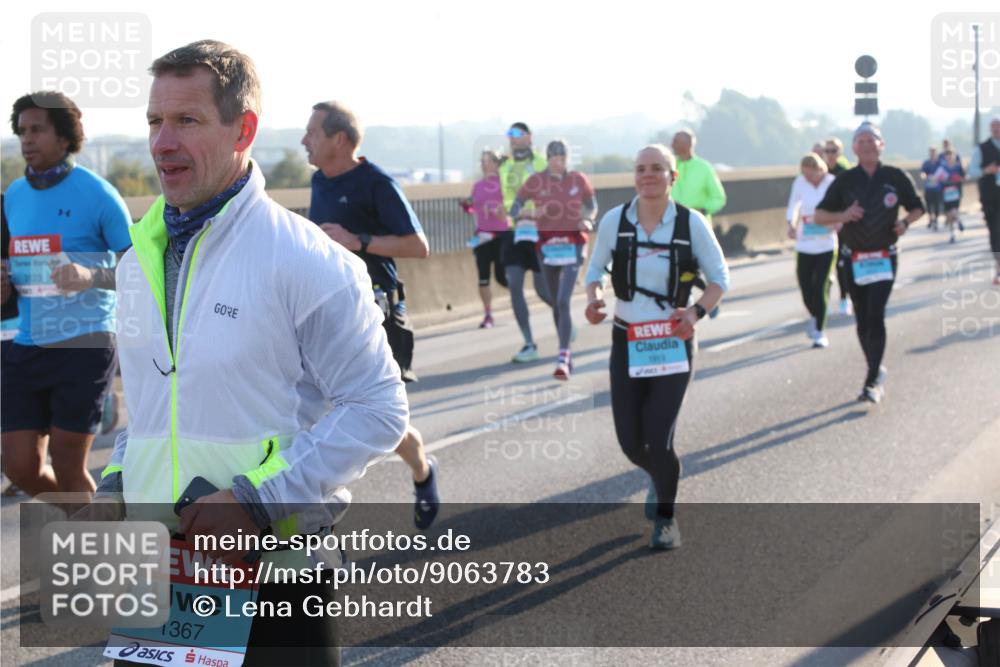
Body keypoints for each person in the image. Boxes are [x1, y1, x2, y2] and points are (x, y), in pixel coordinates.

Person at [95, 40, 408, 666]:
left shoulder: (307, 261)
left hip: (279, 578)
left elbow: (379, 408)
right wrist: (116, 483)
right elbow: (154, 410)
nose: (162, 143)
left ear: (244, 130)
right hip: (166, 575)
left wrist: (258, 502)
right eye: (155, 122)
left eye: (187, 121)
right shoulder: (135, 266)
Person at [303, 99, 440, 530]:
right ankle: (321, 500)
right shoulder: (318, 181)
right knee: (315, 410)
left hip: (379, 313)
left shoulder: (376, 183)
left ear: (338, 139)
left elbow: (417, 246)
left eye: (312, 133)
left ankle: (423, 470)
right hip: (328, 314)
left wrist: (357, 239)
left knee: (381, 417)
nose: (304, 140)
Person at [584, 144, 729, 550]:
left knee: (659, 438)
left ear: (673, 176)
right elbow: (594, 270)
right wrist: (593, 299)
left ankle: (666, 517)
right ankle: (661, 478)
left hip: (672, 341)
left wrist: (696, 313)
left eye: (656, 169)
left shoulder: (691, 223)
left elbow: (720, 278)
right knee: (631, 442)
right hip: (627, 339)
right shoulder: (616, 220)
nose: (647, 175)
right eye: (641, 169)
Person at [1, 91, 131, 500]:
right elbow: (17, 270)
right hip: (28, 342)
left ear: (65, 136)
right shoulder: (15, 195)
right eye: (22, 131)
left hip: (85, 342)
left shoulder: (98, 194)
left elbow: (139, 275)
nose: (27, 139)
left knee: (67, 460)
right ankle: (94, 523)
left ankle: (98, 547)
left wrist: (89, 275)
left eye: (37, 129)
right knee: (19, 466)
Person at [815, 122, 924, 404]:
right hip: (854, 257)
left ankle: (872, 379)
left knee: (876, 314)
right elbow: (819, 216)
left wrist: (904, 222)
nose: (866, 145)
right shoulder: (846, 180)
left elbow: (917, 206)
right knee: (862, 319)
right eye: (860, 141)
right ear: (853, 149)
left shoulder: (895, 176)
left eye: (871, 140)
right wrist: (844, 214)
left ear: (881, 145)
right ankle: (874, 368)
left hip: (885, 256)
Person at [510, 140, 596, 379]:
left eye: (563, 158)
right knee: (557, 303)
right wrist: (533, 213)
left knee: (563, 300)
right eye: (555, 158)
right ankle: (566, 352)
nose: (560, 162)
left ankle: (563, 356)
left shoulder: (578, 179)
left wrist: (588, 219)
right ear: (548, 159)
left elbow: (591, 205)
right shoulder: (536, 181)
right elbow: (514, 209)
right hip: (547, 246)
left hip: (574, 243)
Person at [498, 122, 553, 362]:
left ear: (529, 137)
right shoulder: (506, 166)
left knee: (542, 289)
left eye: (517, 134)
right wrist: (509, 211)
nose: (512, 138)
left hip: (539, 231)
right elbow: (507, 198)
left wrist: (535, 212)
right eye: (510, 134)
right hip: (514, 232)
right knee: (515, 287)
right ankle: (529, 343)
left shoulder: (542, 163)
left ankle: (564, 318)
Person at [786, 153, 837, 348]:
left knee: (820, 286)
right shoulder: (799, 183)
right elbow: (793, 206)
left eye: (811, 175)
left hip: (826, 243)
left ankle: (820, 331)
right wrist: (790, 223)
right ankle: (815, 316)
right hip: (805, 242)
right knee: (806, 287)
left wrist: (837, 221)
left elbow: (842, 205)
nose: (808, 179)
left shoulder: (832, 182)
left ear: (820, 170)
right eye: (805, 175)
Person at [461, 149, 509, 328]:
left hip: (501, 236)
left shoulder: (504, 184)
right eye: (481, 161)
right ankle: (488, 314)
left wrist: (498, 209)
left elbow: (511, 207)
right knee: (483, 278)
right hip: (482, 236)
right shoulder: (478, 186)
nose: (482, 164)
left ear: (496, 164)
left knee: (501, 277)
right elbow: (472, 207)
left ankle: (517, 296)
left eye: (486, 161)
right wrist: (467, 204)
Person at [968, 115, 1000, 285]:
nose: (996, 129)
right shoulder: (981, 149)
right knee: (995, 231)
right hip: (990, 198)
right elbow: (971, 171)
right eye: (993, 126)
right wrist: (986, 170)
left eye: (999, 126)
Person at [823, 137, 853, 315]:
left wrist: (841, 220)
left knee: (841, 264)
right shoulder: (821, 173)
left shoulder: (844, 173)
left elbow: (849, 199)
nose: (830, 154)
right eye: (827, 151)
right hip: (823, 224)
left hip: (841, 224)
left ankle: (844, 298)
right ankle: (823, 301)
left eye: (834, 151)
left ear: (839, 153)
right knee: (824, 264)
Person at [670, 129, 727, 219]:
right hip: (673, 224)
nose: (672, 145)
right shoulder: (670, 166)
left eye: (675, 142)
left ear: (687, 145)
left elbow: (719, 198)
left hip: (698, 225)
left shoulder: (704, 168)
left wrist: (703, 210)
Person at [932, 150, 965, 243]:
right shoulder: (942, 168)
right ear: (945, 158)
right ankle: (952, 234)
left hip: (956, 192)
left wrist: (957, 178)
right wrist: (940, 180)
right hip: (945, 193)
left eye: (951, 156)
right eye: (947, 156)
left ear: (954, 156)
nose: (949, 158)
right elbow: (935, 179)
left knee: (954, 211)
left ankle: (958, 221)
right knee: (949, 215)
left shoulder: (958, 167)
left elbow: (964, 177)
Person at [921, 147, 943, 230]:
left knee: (937, 204)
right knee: (929, 204)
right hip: (928, 188)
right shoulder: (926, 163)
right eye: (931, 152)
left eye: (934, 152)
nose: (932, 154)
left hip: (937, 188)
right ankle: (930, 218)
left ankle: (936, 219)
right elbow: (923, 173)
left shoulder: (940, 163)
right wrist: (924, 176)